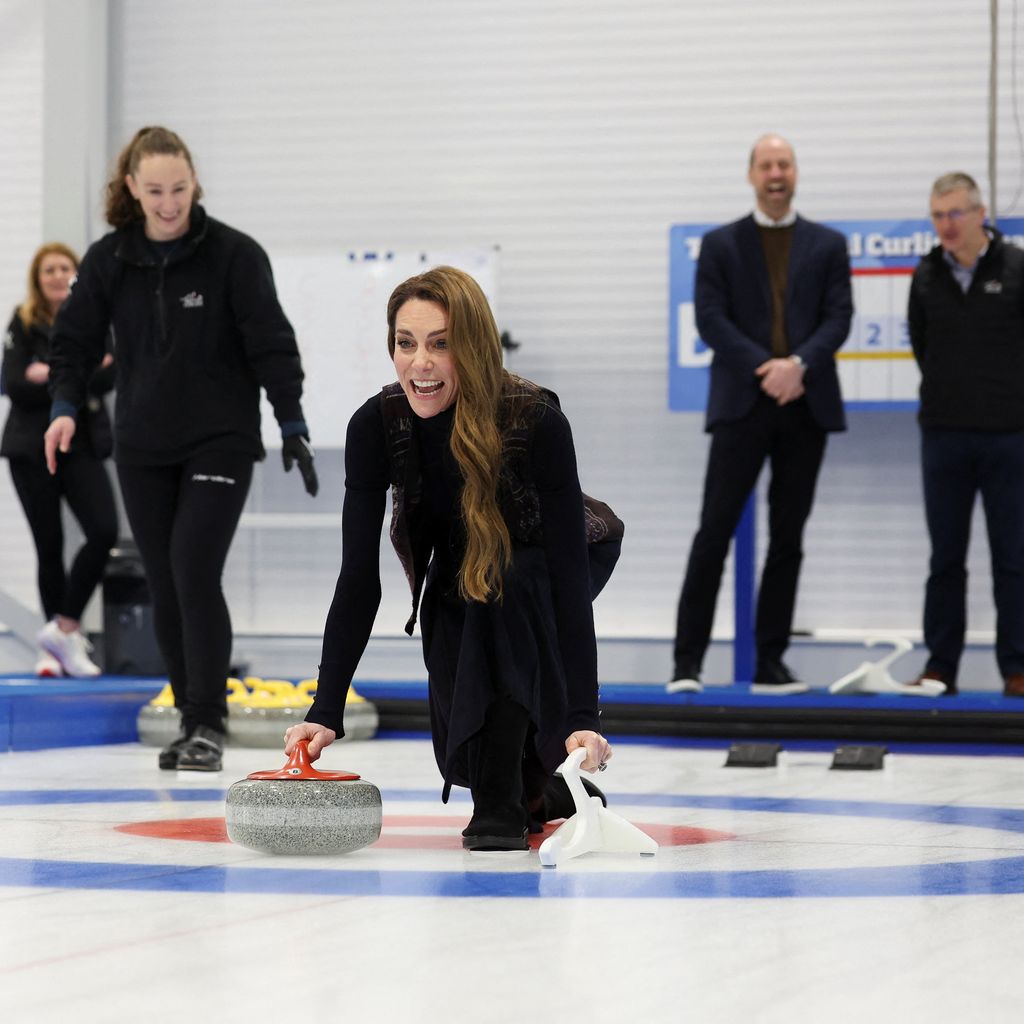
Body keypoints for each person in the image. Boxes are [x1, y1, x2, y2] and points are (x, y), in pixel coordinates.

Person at [284, 265, 623, 851]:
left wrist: (582, 717)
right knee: (454, 617)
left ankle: (499, 800)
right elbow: (358, 579)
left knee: (505, 587)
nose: (421, 363)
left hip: (557, 561)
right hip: (463, 571)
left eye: (441, 344)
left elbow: (568, 578)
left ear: (474, 347)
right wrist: (326, 707)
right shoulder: (376, 425)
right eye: (406, 343)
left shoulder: (535, 419)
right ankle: (537, 786)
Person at [43, 126, 319, 771]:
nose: (169, 203)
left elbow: (271, 344)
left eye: (181, 189)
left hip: (219, 438)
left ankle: (206, 725)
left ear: (195, 183)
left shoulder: (234, 255)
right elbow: (74, 342)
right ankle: (189, 716)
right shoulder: (111, 258)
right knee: (165, 583)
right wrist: (62, 407)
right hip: (141, 443)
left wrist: (293, 421)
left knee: (194, 568)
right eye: (156, 191)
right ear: (133, 189)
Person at [670, 133, 853, 694]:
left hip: (806, 404)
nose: (777, 173)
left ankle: (770, 663)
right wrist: (767, 368)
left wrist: (797, 364)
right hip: (742, 406)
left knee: (788, 537)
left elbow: (838, 317)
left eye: (785, 164)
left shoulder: (827, 244)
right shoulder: (722, 244)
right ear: (752, 175)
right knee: (714, 532)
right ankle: (687, 664)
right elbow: (710, 320)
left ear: (796, 174)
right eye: (767, 165)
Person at [907, 172, 1024, 697]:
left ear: (980, 214)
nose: (946, 225)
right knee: (945, 558)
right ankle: (941, 668)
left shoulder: (1017, 267)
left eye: (955, 213)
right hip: (944, 436)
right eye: (937, 215)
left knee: (1014, 557)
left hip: (1010, 436)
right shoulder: (926, 274)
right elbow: (922, 344)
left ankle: (1017, 668)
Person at [1, 243, 117, 677]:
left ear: (76, 274)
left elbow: (111, 374)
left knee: (103, 530)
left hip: (81, 442)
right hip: (31, 448)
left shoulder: (94, 316)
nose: (56, 275)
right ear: (38, 277)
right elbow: (13, 382)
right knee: (48, 546)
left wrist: (45, 370)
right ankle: (53, 649)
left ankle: (64, 628)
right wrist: (73, 372)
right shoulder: (24, 320)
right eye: (48, 269)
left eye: (64, 268)